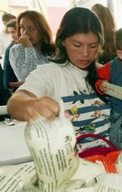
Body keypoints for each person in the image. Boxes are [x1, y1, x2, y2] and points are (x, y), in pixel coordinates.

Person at [7, 7, 111, 140]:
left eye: (93, 46)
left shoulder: (107, 73)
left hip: (108, 156)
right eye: (77, 45)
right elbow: (14, 103)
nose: (85, 54)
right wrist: (31, 106)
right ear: (62, 41)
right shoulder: (49, 73)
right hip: (68, 159)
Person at [9, 10, 54, 81]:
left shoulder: (53, 49)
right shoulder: (16, 50)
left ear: (42, 31)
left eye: (31, 29)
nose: (25, 32)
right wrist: (29, 48)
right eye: (22, 27)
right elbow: (28, 78)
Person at [3, 19, 23, 93]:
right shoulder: (10, 50)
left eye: (13, 32)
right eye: (10, 33)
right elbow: (7, 83)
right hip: (20, 91)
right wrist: (25, 83)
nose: (12, 35)